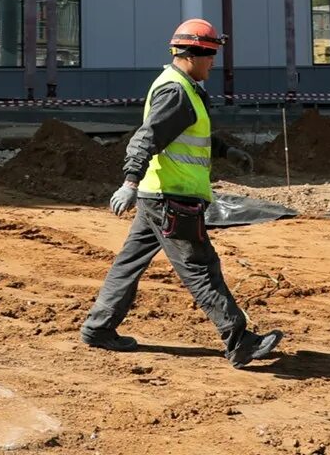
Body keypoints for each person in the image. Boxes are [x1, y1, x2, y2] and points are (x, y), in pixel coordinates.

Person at [80, 18, 281, 369]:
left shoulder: (183, 87)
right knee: (202, 268)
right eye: (210, 55)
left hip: (159, 195)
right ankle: (239, 341)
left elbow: (185, 133)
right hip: (172, 198)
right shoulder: (175, 90)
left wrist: (226, 151)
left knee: (128, 265)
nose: (213, 62)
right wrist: (129, 182)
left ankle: (98, 328)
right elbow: (147, 137)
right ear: (191, 54)